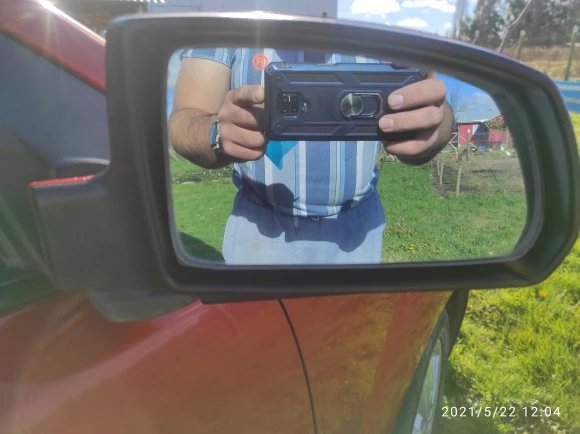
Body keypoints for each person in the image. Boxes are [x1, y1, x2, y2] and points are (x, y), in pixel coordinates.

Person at [168, 48, 454, 265]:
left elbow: (431, 104)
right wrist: (218, 133)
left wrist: (434, 125)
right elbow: (183, 122)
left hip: (359, 232)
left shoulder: (383, 14)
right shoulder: (229, 10)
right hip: (259, 233)